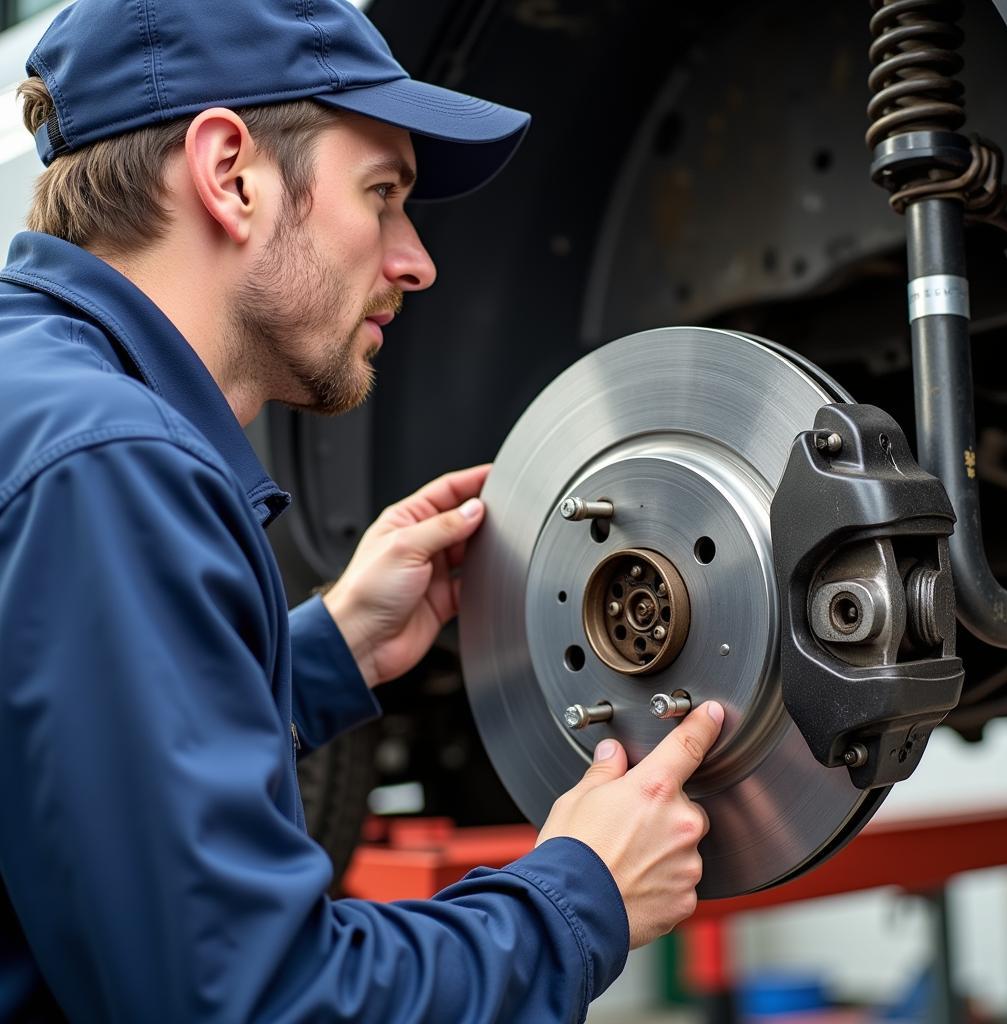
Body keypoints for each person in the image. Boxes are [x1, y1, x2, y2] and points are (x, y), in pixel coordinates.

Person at [0, 1, 724, 1020]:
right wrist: (579, 895)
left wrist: (326, 652)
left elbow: (65, 762)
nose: (415, 259)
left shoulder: (39, 401)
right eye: (381, 195)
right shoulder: (105, 466)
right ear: (230, 174)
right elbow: (250, 1000)